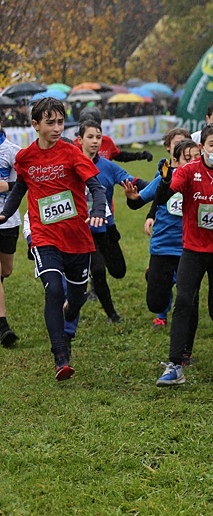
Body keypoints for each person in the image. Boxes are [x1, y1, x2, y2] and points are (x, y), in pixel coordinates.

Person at [0, 98, 107, 378]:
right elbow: (19, 188)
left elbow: (96, 187)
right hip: (44, 236)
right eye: (51, 123)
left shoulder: (72, 154)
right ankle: (61, 355)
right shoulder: (25, 158)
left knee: (75, 298)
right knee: (53, 290)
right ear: (35, 125)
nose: (58, 128)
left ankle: (71, 309)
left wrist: (97, 209)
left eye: (60, 122)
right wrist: (4, 214)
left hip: (78, 238)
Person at [153, 123, 213, 386]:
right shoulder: (188, 171)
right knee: (183, 301)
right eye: (212, 145)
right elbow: (163, 198)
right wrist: (166, 179)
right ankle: (174, 365)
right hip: (193, 249)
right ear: (202, 147)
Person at [124, 133, 198, 330]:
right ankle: (159, 285)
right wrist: (132, 197)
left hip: (190, 248)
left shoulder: (201, 181)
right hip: (163, 246)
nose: (191, 164)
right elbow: (139, 201)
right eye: (186, 159)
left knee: (187, 300)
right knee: (155, 302)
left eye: (195, 159)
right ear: (175, 160)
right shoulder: (164, 180)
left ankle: (183, 346)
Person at [78, 119, 146, 323]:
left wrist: (160, 187)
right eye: (90, 137)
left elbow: (133, 181)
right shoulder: (70, 165)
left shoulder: (108, 167)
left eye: (98, 137)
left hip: (106, 228)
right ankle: (112, 314)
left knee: (118, 271)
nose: (95, 141)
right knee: (98, 270)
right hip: (81, 231)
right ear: (79, 139)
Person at [0, 114, 21, 346]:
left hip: (8, 220)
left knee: (5, 271)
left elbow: (24, 183)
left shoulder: (13, 151)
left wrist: (5, 185)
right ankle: (3, 327)